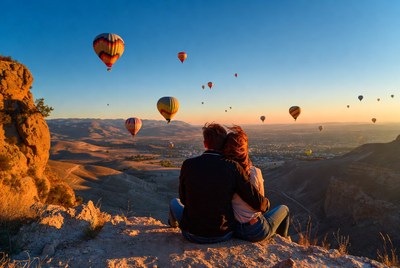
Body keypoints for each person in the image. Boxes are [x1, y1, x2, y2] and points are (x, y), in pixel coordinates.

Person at [168, 123, 269, 244]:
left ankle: (172, 226)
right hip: (222, 234)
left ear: (205, 144)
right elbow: (253, 199)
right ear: (224, 145)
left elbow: (183, 200)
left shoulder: (188, 164)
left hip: (191, 233)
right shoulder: (233, 167)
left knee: (174, 202)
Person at [223, 125, 290, 242]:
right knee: (284, 209)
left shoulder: (224, 173)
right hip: (255, 230)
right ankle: (283, 242)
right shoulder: (254, 172)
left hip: (233, 229)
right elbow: (260, 204)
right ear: (244, 150)